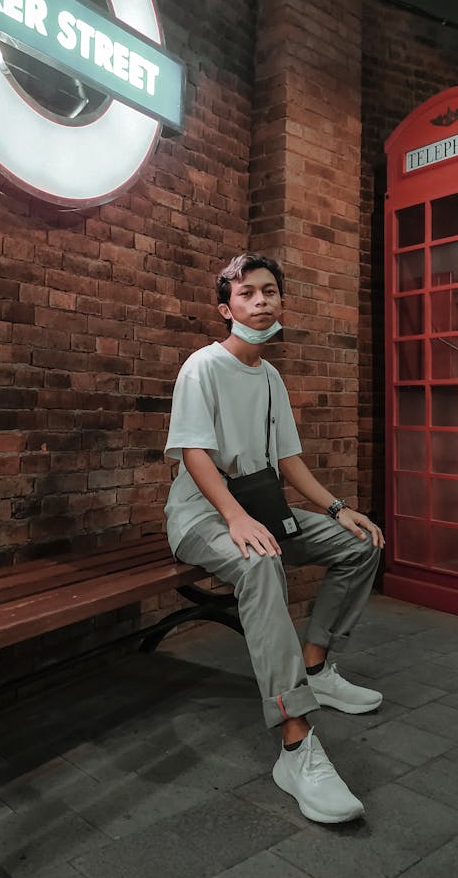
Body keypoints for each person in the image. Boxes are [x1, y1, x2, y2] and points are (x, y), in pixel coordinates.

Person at [164, 252, 385, 824]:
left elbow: (288, 461)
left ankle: (315, 667)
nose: (260, 301)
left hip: (260, 508)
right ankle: (295, 740)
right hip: (202, 514)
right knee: (262, 562)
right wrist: (234, 517)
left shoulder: (270, 377)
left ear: (281, 302)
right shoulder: (203, 367)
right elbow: (193, 452)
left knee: (359, 544)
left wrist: (338, 509)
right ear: (226, 307)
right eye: (247, 294)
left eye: (270, 291)